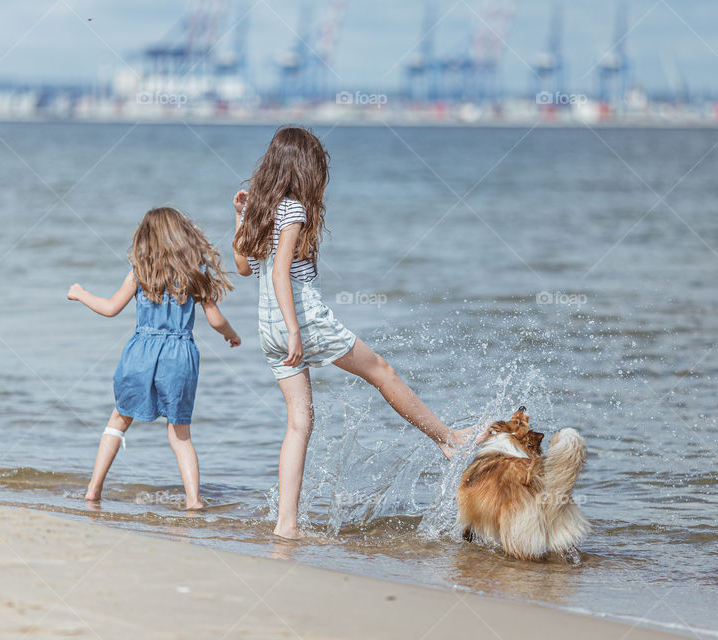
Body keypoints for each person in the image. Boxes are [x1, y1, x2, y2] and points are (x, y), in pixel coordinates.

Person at [232, 127, 474, 538]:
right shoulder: (292, 211)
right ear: (305, 172)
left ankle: (286, 526)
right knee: (381, 370)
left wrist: (238, 215)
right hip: (301, 320)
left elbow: (242, 267)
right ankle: (448, 439)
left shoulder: (262, 211)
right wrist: (296, 331)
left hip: (266, 328)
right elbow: (278, 273)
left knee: (298, 423)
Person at [68, 207, 240, 508]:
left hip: (141, 353)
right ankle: (193, 499)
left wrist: (80, 293)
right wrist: (231, 334)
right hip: (179, 357)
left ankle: (93, 490)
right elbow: (215, 321)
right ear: (184, 237)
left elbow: (110, 308)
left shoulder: (140, 272)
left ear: (145, 239)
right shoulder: (196, 275)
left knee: (118, 420)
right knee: (180, 434)